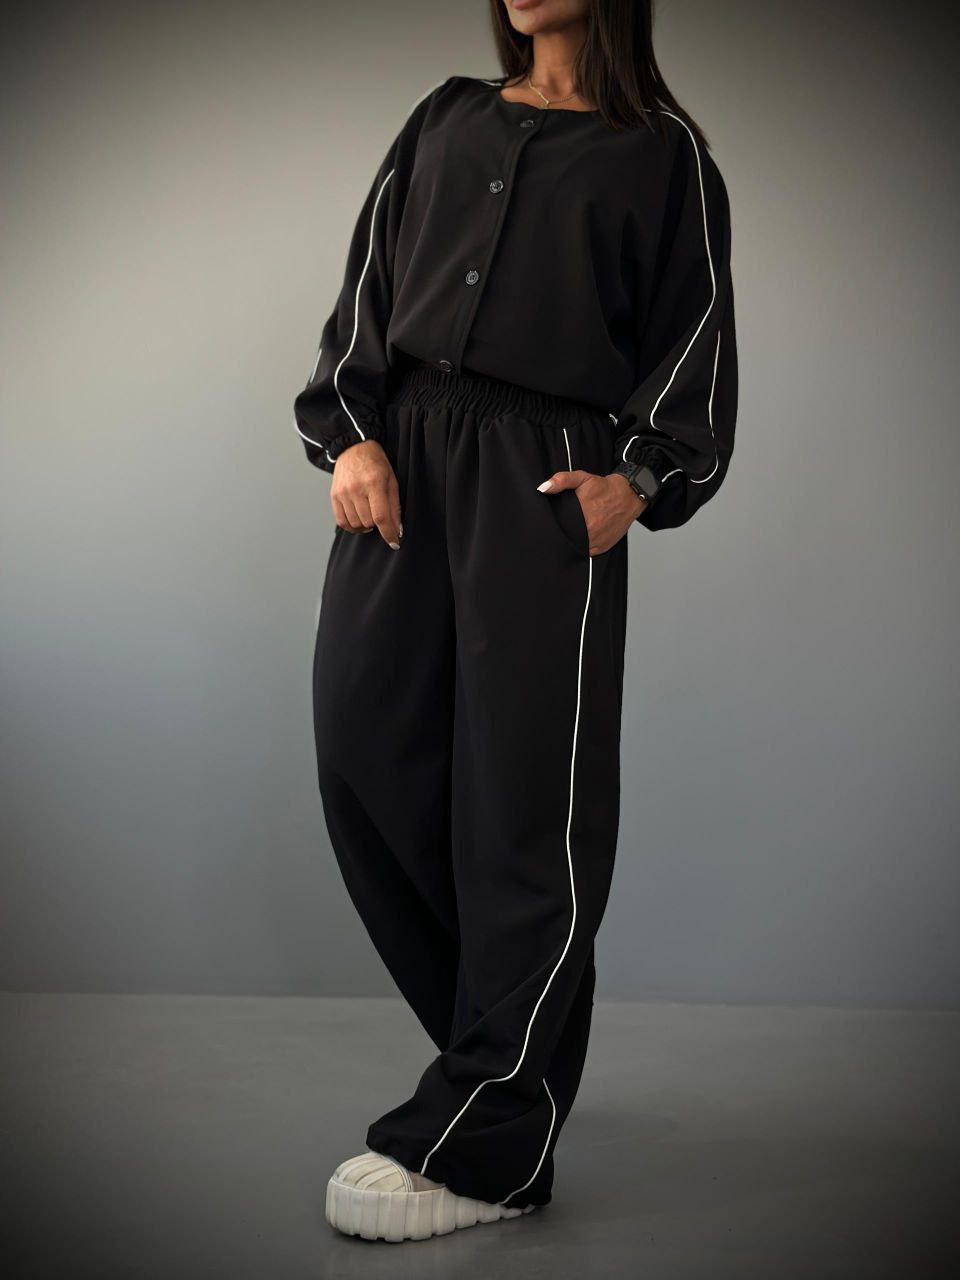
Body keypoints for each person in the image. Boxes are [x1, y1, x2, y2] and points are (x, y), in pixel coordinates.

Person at [292, 0, 737, 1244]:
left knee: (526, 808)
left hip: (542, 485)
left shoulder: (666, 157)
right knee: (362, 752)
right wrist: (351, 437)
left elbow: (696, 353)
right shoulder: (445, 118)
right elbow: (364, 299)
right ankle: (512, 1063)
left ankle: (490, 1132)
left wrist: (633, 482)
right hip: (404, 467)